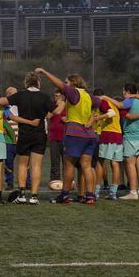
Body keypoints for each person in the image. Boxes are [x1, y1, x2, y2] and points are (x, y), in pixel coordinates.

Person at [35, 67, 97, 205]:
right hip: (90, 135)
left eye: (67, 82)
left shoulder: (74, 92)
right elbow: (99, 104)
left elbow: (59, 85)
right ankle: (90, 196)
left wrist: (45, 72)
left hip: (75, 133)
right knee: (86, 166)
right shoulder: (88, 95)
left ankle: (64, 195)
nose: (65, 84)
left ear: (73, 83)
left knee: (68, 165)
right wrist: (91, 120)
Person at [1, 73, 52, 204]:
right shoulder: (44, 96)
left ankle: (22, 194)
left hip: (24, 134)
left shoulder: (21, 95)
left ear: (26, 83)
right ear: (38, 83)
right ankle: (34, 196)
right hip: (40, 134)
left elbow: (2, 101)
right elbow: (55, 111)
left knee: (22, 165)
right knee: (36, 166)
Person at [117, 83, 139, 200]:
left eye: (123, 91)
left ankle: (133, 192)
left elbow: (120, 105)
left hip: (131, 136)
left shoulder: (130, 100)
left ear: (127, 91)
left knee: (130, 164)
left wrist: (105, 98)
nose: (123, 93)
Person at [91, 88, 123, 199]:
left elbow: (112, 113)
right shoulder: (112, 102)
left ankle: (96, 191)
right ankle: (113, 193)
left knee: (100, 162)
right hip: (118, 134)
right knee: (115, 163)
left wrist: (98, 117)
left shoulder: (102, 101)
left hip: (108, 134)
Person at [47, 91, 66, 184]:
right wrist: (57, 107)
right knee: (55, 161)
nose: (56, 98)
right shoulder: (52, 106)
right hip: (54, 137)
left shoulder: (67, 106)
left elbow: (67, 119)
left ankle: (68, 181)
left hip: (65, 137)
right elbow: (48, 116)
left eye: (58, 96)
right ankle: (55, 181)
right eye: (55, 96)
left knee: (66, 161)